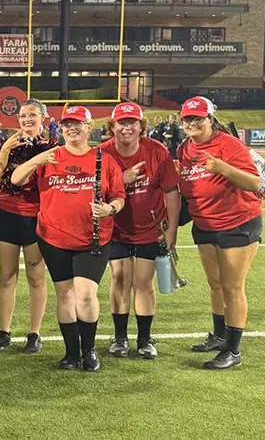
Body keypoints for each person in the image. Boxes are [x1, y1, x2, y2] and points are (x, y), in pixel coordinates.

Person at [11, 106, 126, 372]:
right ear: (60, 128)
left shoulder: (104, 159)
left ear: (89, 127)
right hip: (54, 238)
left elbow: (119, 195)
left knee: (85, 295)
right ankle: (71, 353)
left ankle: (89, 351)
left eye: (77, 124)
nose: (71, 129)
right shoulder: (49, 157)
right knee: (64, 294)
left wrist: (110, 209)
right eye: (66, 125)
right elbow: (17, 179)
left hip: (93, 239)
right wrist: (38, 160)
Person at [177, 96, 262, 369]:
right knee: (215, 285)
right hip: (204, 225)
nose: (192, 123)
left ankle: (233, 351)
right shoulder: (184, 148)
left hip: (237, 223)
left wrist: (222, 168)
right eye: (187, 119)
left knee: (232, 287)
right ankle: (219, 335)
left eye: (198, 118)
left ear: (210, 119)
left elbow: (256, 183)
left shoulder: (230, 145)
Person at [99, 102, 180, 360]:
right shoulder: (102, 153)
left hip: (150, 229)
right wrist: (121, 178)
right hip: (116, 228)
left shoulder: (156, 151)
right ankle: (120, 336)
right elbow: (93, 191)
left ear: (141, 126)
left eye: (132, 122)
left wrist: (172, 232)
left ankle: (145, 338)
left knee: (143, 282)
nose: (127, 128)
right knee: (120, 279)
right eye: (121, 123)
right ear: (112, 127)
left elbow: (171, 192)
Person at [0, 99, 56, 353]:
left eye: (32, 115)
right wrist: (4, 151)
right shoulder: (7, 144)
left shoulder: (51, 147)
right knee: (7, 277)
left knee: (36, 277)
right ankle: (4, 331)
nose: (27, 120)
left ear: (43, 118)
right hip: (6, 213)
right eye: (23, 116)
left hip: (36, 217)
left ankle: (34, 333)